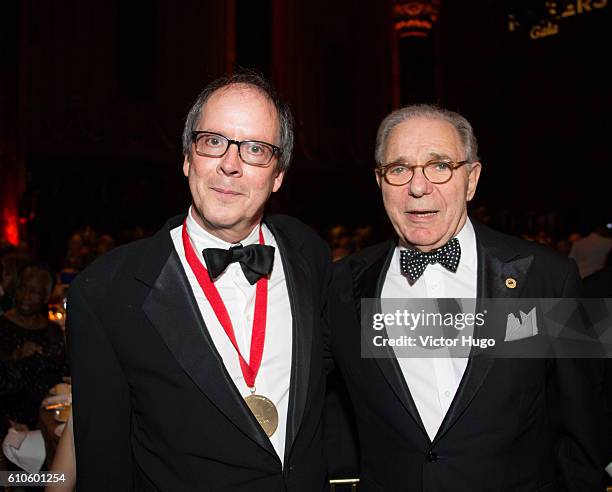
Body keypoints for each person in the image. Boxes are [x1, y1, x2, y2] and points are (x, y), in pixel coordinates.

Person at [67, 72, 331, 491]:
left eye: (256, 149)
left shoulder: (309, 255)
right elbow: (104, 469)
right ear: (188, 157)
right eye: (213, 141)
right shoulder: (105, 293)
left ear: (278, 174)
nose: (230, 164)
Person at [328, 104, 603, 490]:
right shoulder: (341, 284)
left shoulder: (552, 275)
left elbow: (588, 425)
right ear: (380, 182)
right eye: (399, 169)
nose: (418, 186)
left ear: (471, 179)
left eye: (440, 165)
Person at [1, 265, 67, 472]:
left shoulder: (53, 331)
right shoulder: (3, 327)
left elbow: (63, 375)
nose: (27, 296)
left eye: (35, 291)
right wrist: (16, 356)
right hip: (12, 422)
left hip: (48, 418)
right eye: (23, 289)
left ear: (45, 296)